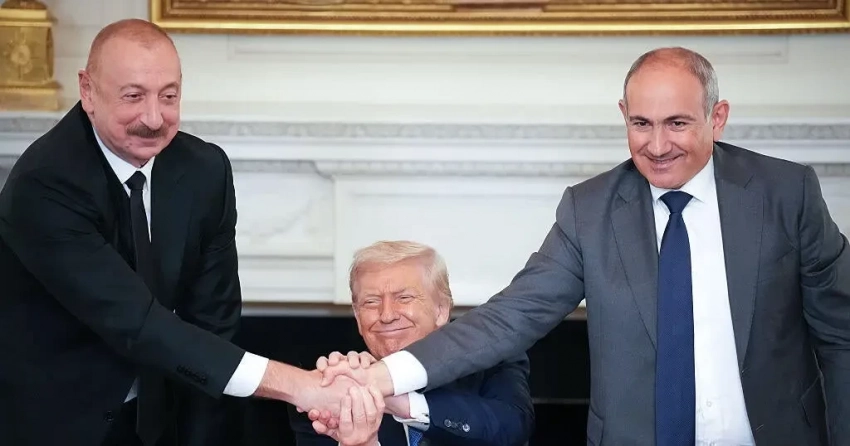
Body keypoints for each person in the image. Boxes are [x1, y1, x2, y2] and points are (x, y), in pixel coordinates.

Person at [317, 47, 850, 445]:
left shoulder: (787, 193)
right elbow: (509, 318)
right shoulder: (589, 210)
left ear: (718, 116)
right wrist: (381, 377)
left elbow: (841, 335)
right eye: (640, 124)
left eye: (677, 124)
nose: (657, 146)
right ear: (623, 114)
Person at [0, 18, 360, 446]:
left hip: (156, 418)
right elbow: (139, 324)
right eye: (133, 96)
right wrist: (300, 386)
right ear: (88, 90)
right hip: (57, 424)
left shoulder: (204, 169)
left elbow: (215, 321)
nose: (154, 118)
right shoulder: (43, 184)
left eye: (169, 96)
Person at [289, 241, 534, 446]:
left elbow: (512, 429)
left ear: (441, 310)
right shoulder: (332, 389)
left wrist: (399, 401)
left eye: (404, 298)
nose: (386, 315)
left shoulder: (492, 361)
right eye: (371, 302)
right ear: (357, 315)